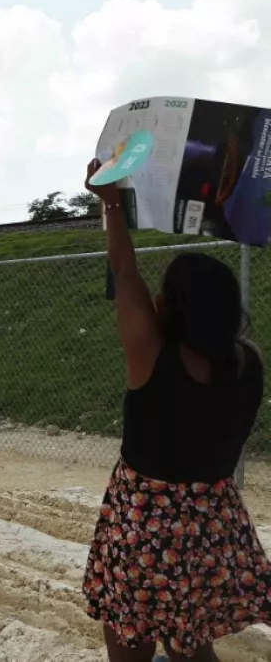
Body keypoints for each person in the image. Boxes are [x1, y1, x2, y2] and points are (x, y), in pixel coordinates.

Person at [80, 158, 271, 662]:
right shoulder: (249, 363)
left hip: (146, 527)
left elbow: (124, 270)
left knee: (132, 647)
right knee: (192, 645)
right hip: (211, 525)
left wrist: (111, 202)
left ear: (173, 306)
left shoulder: (153, 357)